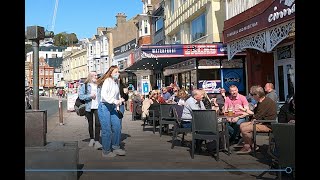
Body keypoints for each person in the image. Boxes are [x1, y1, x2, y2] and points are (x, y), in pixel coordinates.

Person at [237, 85, 277, 154]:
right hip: (261, 122)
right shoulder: (261, 101)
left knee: (244, 129)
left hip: (268, 124)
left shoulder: (266, 102)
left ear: (257, 95)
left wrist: (252, 118)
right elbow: (255, 114)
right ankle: (248, 145)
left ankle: (253, 146)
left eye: (252, 95)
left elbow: (258, 116)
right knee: (242, 125)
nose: (252, 96)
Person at [96, 65, 126, 158]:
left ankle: (116, 147)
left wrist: (119, 100)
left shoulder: (115, 82)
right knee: (107, 129)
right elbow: (104, 95)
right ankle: (106, 151)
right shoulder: (107, 81)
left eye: (118, 72)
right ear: (111, 73)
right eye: (116, 72)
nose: (118, 73)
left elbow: (116, 96)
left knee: (117, 126)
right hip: (104, 106)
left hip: (113, 107)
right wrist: (115, 101)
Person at [79, 71, 102, 149]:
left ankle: (97, 140)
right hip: (88, 107)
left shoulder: (99, 85)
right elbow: (81, 96)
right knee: (90, 123)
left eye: (96, 75)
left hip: (98, 106)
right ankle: (92, 138)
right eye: (94, 75)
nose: (96, 76)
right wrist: (90, 96)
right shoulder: (85, 86)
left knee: (98, 123)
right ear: (90, 77)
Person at [181, 89, 206, 153]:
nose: (203, 96)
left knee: (208, 127)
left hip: (196, 121)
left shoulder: (200, 101)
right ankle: (197, 146)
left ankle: (198, 144)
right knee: (203, 128)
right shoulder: (190, 102)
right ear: (195, 96)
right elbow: (197, 114)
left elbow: (205, 111)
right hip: (187, 122)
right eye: (201, 95)